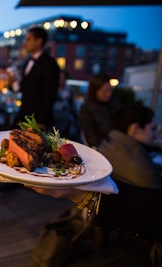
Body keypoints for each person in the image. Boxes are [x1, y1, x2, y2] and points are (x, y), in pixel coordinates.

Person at [29, 103, 162, 265]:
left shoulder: (112, 138)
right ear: (135, 128)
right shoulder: (141, 165)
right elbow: (154, 204)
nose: (157, 133)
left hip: (105, 211)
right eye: (153, 128)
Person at [14, 26, 60, 131]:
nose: (25, 43)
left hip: (37, 119)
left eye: (28, 39)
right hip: (24, 114)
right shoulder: (28, 61)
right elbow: (25, 87)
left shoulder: (50, 64)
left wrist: (42, 121)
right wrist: (14, 83)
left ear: (39, 41)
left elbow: (50, 94)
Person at [79, 73, 122, 148]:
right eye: (104, 91)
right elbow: (90, 134)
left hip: (118, 143)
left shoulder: (114, 103)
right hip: (103, 147)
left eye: (110, 90)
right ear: (95, 91)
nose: (109, 94)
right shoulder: (87, 108)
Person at [53, 70, 81, 141]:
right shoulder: (52, 89)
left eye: (63, 78)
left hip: (65, 119)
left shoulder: (69, 90)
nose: (61, 80)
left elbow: (72, 106)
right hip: (54, 119)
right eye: (60, 78)